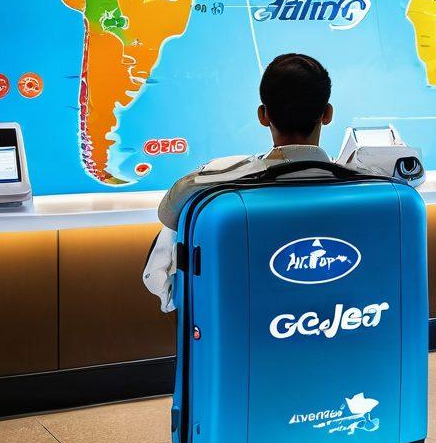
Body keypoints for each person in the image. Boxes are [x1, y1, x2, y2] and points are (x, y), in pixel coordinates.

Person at [142, 53, 335, 312]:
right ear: (327, 114)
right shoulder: (378, 190)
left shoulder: (205, 191)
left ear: (263, 115)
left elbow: (160, 282)